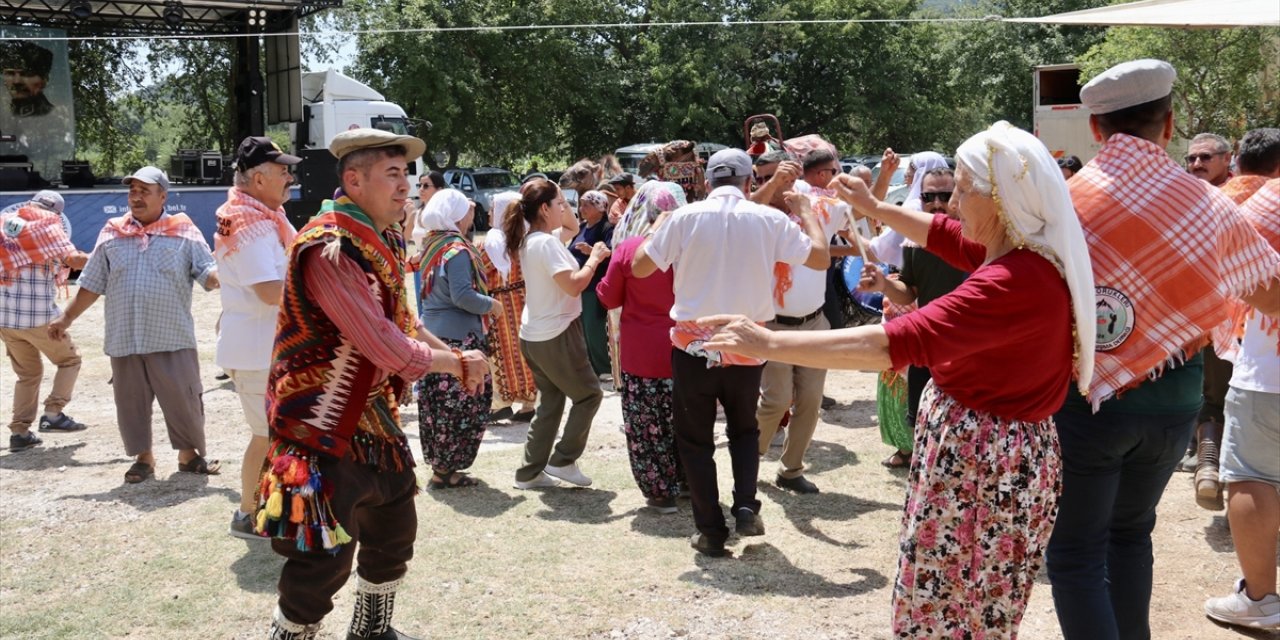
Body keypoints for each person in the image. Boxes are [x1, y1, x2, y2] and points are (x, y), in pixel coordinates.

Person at [699, 122, 1096, 637]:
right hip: (987, 452)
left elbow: (891, 343)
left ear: (1003, 199)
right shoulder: (1023, 254)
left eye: (964, 190)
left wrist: (769, 343)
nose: (952, 203)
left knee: (956, 600)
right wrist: (873, 205)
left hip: (983, 462)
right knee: (960, 594)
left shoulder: (1013, 281)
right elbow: (944, 237)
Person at [1043, 59, 1280, 640]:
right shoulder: (1211, 204)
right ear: (1169, 124)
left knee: (1075, 553)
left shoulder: (1064, 203)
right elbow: (1271, 295)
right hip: (1175, 399)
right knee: (1131, 534)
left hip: (1087, 400)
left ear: (1096, 129)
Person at [259, 128, 487, 640]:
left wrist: (454, 354)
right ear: (353, 179)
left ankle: (369, 631)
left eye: (406, 174)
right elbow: (383, 346)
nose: (405, 186)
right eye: (392, 174)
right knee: (323, 559)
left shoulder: (376, 238)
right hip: (318, 422)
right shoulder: (330, 247)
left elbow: (402, 321)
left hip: (368, 416)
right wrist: (456, 365)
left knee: (393, 529)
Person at [631, 148, 830, 557]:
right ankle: (744, 505)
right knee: (744, 429)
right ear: (748, 183)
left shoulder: (685, 217)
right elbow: (820, 257)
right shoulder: (770, 219)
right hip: (746, 341)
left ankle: (711, 530)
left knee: (695, 439)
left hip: (693, 343)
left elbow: (640, 267)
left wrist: (660, 225)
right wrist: (806, 210)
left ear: (707, 183)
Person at [49, 167, 222, 483]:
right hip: (125, 336)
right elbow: (91, 283)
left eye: (145, 190)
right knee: (131, 402)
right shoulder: (113, 231)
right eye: (133, 191)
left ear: (163, 196)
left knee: (183, 397)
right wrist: (66, 317)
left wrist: (224, 276)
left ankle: (188, 455)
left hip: (171, 335)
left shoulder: (183, 230)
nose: (137, 196)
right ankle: (144, 458)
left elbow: (207, 271)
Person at [1188, 128, 1280, 509]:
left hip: (1216, 321)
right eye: (1192, 158)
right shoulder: (1270, 199)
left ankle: (1208, 468)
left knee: (1213, 395)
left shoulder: (1216, 203)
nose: (1196, 164)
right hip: (1261, 336)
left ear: (1233, 159)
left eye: (1205, 157)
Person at [1203, 178, 1280, 630]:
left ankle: (1260, 599)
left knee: (1252, 476)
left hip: (1268, 373)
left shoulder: (1270, 199)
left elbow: (1226, 258)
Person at [213, 136, 300, 539]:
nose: (291, 177)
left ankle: (266, 507)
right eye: (283, 170)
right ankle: (247, 513)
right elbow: (268, 291)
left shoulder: (261, 218)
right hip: (255, 352)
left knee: (274, 435)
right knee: (265, 436)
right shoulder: (248, 224)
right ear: (260, 178)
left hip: (264, 347)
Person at [752, 147, 851, 494]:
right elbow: (750, 205)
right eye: (761, 178)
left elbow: (862, 214)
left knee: (810, 402)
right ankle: (751, 460)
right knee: (775, 401)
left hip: (813, 324)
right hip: (774, 326)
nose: (771, 183)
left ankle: (791, 470)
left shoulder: (816, 204)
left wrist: (882, 178)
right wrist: (774, 185)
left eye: (777, 176)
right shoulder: (755, 216)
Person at [861, 167, 968, 468]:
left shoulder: (978, 237)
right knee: (922, 419)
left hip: (969, 346)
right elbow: (909, 291)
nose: (937, 203)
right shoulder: (914, 241)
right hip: (930, 344)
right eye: (928, 196)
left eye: (945, 195)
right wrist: (884, 285)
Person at [503, 178, 607, 490]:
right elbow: (574, 284)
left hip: (536, 334)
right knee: (589, 394)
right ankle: (562, 460)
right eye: (559, 204)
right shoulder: (545, 243)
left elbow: (572, 226)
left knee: (550, 401)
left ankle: (530, 472)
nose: (565, 208)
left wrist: (556, 193)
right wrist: (595, 258)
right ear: (545, 208)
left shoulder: (534, 239)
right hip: (556, 333)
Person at [595, 197, 683, 513]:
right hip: (687, 347)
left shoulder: (630, 248)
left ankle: (661, 492)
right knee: (686, 420)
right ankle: (687, 480)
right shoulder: (694, 248)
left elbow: (608, 296)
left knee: (647, 425)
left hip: (642, 352)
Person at [413, 189, 498, 489]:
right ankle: (447, 469)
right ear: (458, 215)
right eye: (469, 211)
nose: (473, 216)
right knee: (462, 404)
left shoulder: (431, 245)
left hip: (433, 336)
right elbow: (462, 296)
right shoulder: (457, 250)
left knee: (438, 405)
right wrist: (491, 305)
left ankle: (441, 467)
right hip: (459, 339)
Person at [1, 190, 88, 452]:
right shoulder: (47, 228)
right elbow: (72, 260)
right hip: (38, 317)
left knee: (27, 375)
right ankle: (53, 414)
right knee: (70, 360)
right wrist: (105, 257)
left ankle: (20, 432)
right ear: (57, 213)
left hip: (5, 318)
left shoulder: (6, 223)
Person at [480, 190, 537, 423]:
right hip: (524, 298)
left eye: (493, 208)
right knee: (524, 352)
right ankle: (528, 404)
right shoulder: (526, 238)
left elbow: (479, 270)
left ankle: (501, 403)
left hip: (499, 304)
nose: (490, 213)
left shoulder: (491, 242)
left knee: (501, 352)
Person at [867, 151, 949, 267]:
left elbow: (879, 250)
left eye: (910, 169)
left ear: (920, 174)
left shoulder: (914, 207)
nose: (906, 175)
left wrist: (846, 232)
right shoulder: (954, 207)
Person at [569, 189, 614, 382]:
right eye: (581, 204)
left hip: (594, 286)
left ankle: (604, 368)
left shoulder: (607, 228)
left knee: (594, 327)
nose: (582, 208)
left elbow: (612, 253)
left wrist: (591, 253)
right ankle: (590, 368)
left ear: (600, 207)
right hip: (579, 284)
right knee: (581, 329)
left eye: (587, 204)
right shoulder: (580, 227)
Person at [409, 170, 445, 308]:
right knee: (422, 310)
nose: (421, 189)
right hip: (419, 268)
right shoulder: (416, 214)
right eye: (419, 185)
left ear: (439, 190)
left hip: (438, 268)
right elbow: (402, 239)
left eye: (426, 186)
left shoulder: (443, 215)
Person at [0, 40, 54, 117]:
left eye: (27, 74)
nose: (16, 81)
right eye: (10, 74)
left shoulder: (54, 117)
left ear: (44, 81)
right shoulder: (4, 113)